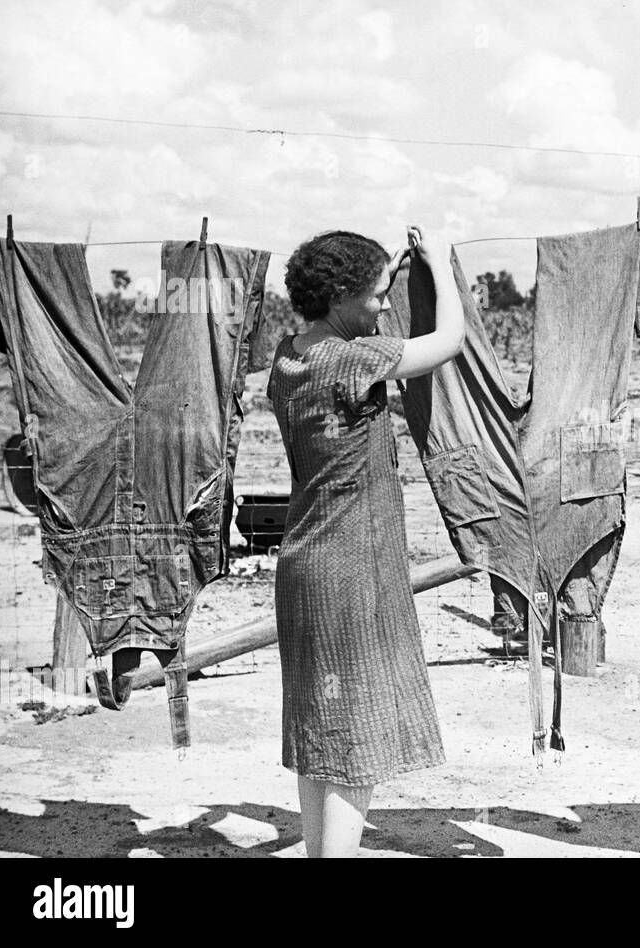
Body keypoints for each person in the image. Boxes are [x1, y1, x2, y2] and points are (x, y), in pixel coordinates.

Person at [268, 226, 465, 857]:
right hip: (354, 567)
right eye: (378, 293)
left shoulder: (288, 357)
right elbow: (450, 343)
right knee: (358, 734)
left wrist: (391, 273)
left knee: (316, 729)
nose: (384, 306)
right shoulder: (355, 360)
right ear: (342, 294)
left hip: (304, 566)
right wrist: (439, 264)